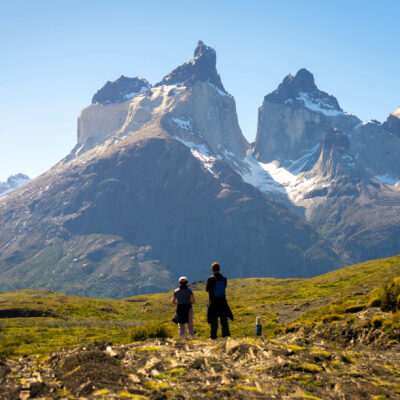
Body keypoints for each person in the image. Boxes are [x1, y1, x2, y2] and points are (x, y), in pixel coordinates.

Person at [206, 262, 233, 339]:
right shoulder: (224, 279)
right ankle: (226, 336)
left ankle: (213, 337)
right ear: (219, 269)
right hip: (223, 302)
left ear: (212, 270)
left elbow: (207, 289)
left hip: (213, 302)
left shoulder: (210, 279)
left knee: (214, 321)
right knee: (224, 320)